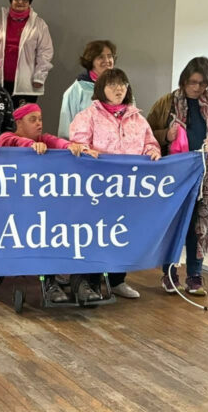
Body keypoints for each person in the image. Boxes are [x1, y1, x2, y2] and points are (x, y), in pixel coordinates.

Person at [147, 57, 208, 296]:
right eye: (192, 82)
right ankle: (169, 273)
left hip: (205, 178)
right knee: (173, 225)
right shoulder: (166, 103)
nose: (197, 88)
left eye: (203, 84)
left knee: (199, 227)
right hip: (172, 177)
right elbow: (146, 133)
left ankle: (195, 276)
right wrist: (167, 134)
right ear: (184, 81)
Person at [68, 68, 161, 301]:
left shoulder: (138, 119)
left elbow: (151, 143)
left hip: (128, 190)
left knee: (123, 233)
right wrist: (87, 152)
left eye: (122, 84)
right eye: (112, 85)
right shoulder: (87, 116)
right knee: (95, 235)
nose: (118, 89)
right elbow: (78, 144)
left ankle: (117, 280)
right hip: (97, 189)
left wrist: (152, 151)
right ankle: (87, 282)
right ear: (101, 88)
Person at [0, 103, 98, 303]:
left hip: (48, 205)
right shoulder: (6, 137)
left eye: (40, 119)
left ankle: (79, 281)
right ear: (19, 122)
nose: (39, 124)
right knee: (44, 229)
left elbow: (58, 142)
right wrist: (30, 146)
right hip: (17, 208)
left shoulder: (45, 140)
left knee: (77, 226)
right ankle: (49, 282)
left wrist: (74, 147)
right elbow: (10, 141)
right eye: (32, 119)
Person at [0, 0, 53, 107]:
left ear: (29, 2)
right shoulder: (0, 20)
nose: (20, 2)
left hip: (25, 85)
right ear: (11, 0)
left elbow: (45, 52)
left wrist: (39, 76)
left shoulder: (39, 24)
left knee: (22, 122)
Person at [59, 40, 117, 139]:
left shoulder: (122, 88)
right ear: (91, 61)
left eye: (109, 56)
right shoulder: (77, 90)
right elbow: (66, 128)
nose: (107, 60)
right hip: (85, 150)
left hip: (116, 152)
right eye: (101, 57)